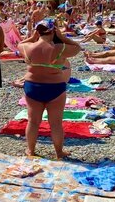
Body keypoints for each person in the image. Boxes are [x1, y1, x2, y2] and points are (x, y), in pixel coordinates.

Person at [18, 19, 81, 159]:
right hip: (55, 87)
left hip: (33, 86)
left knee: (33, 121)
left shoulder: (28, 47)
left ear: (38, 32)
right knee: (56, 123)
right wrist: (63, 36)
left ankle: (30, 150)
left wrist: (33, 37)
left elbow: (19, 43)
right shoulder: (60, 48)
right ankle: (59, 152)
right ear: (53, 31)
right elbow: (77, 47)